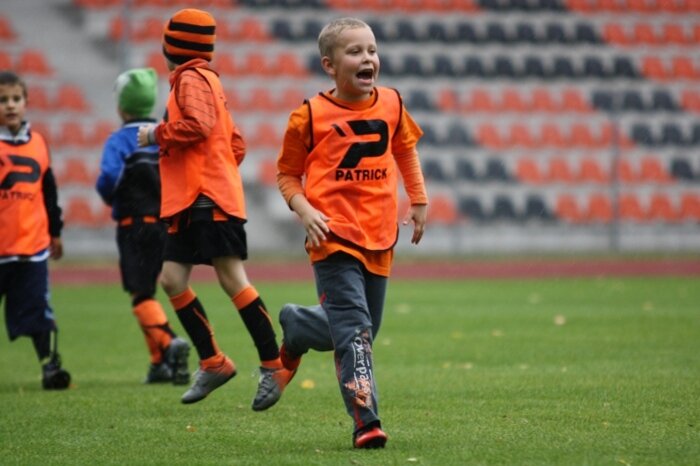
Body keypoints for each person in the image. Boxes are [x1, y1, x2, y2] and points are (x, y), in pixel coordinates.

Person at [275, 17, 428, 449]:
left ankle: (298, 326)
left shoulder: (392, 103)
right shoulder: (308, 116)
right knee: (356, 333)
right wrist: (305, 210)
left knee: (361, 330)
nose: (368, 58)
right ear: (329, 65)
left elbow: (405, 149)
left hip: (379, 235)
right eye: (355, 51)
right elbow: (286, 175)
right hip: (332, 237)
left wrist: (418, 198)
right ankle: (366, 422)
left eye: (372, 50)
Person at [137, 8, 295, 410]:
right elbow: (234, 142)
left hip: (207, 199)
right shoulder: (207, 80)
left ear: (170, 48)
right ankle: (213, 362)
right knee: (172, 278)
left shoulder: (190, 79)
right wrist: (216, 166)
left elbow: (200, 126)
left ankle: (274, 364)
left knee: (231, 277)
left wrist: (156, 134)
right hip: (192, 199)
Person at [96, 67, 191, 385]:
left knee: (141, 294)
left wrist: (110, 196)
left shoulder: (120, 141)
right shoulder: (163, 135)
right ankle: (158, 364)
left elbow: (109, 178)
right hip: (167, 225)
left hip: (134, 226)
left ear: (122, 106)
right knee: (155, 291)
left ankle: (169, 342)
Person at [0, 70, 72, 390]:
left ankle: (50, 366)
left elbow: (49, 193)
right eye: (3, 100)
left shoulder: (39, 143)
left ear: (26, 103)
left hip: (31, 248)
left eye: (16, 99)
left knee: (39, 310)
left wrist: (55, 232)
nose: (10, 105)